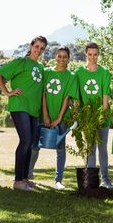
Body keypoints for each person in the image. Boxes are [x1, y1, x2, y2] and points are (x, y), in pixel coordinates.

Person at [0, 36, 48, 191]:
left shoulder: (41, 68)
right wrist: (8, 92)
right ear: (31, 46)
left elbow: (41, 91)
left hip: (33, 109)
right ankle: (18, 181)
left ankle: (24, 178)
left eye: (42, 48)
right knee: (25, 140)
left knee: (30, 144)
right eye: (36, 46)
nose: (39, 50)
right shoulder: (20, 62)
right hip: (20, 105)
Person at [28, 46, 78, 190]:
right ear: (55, 57)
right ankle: (28, 174)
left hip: (61, 118)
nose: (62, 59)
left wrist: (58, 119)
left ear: (68, 58)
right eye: (59, 56)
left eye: (65, 57)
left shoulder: (71, 76)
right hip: (42, 115)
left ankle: (58, 180)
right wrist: (45, 115)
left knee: (60, 149)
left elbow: (66, 98)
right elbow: (43, 94)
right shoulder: (47, 72)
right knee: (35, 146)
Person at [74, 42, 113, 189]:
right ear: (85, 54)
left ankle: (105, 180)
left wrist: (101, 116)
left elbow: (105, 97)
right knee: (90, 148)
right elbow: (77, 98)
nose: (92, 57)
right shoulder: (78, 73)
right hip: (87, 118)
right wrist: (77, 116)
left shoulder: (104, 72)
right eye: (90, 54)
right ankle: (90, 182)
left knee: (102, 149)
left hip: (102, 117)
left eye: (95, 54)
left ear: (98, 54)